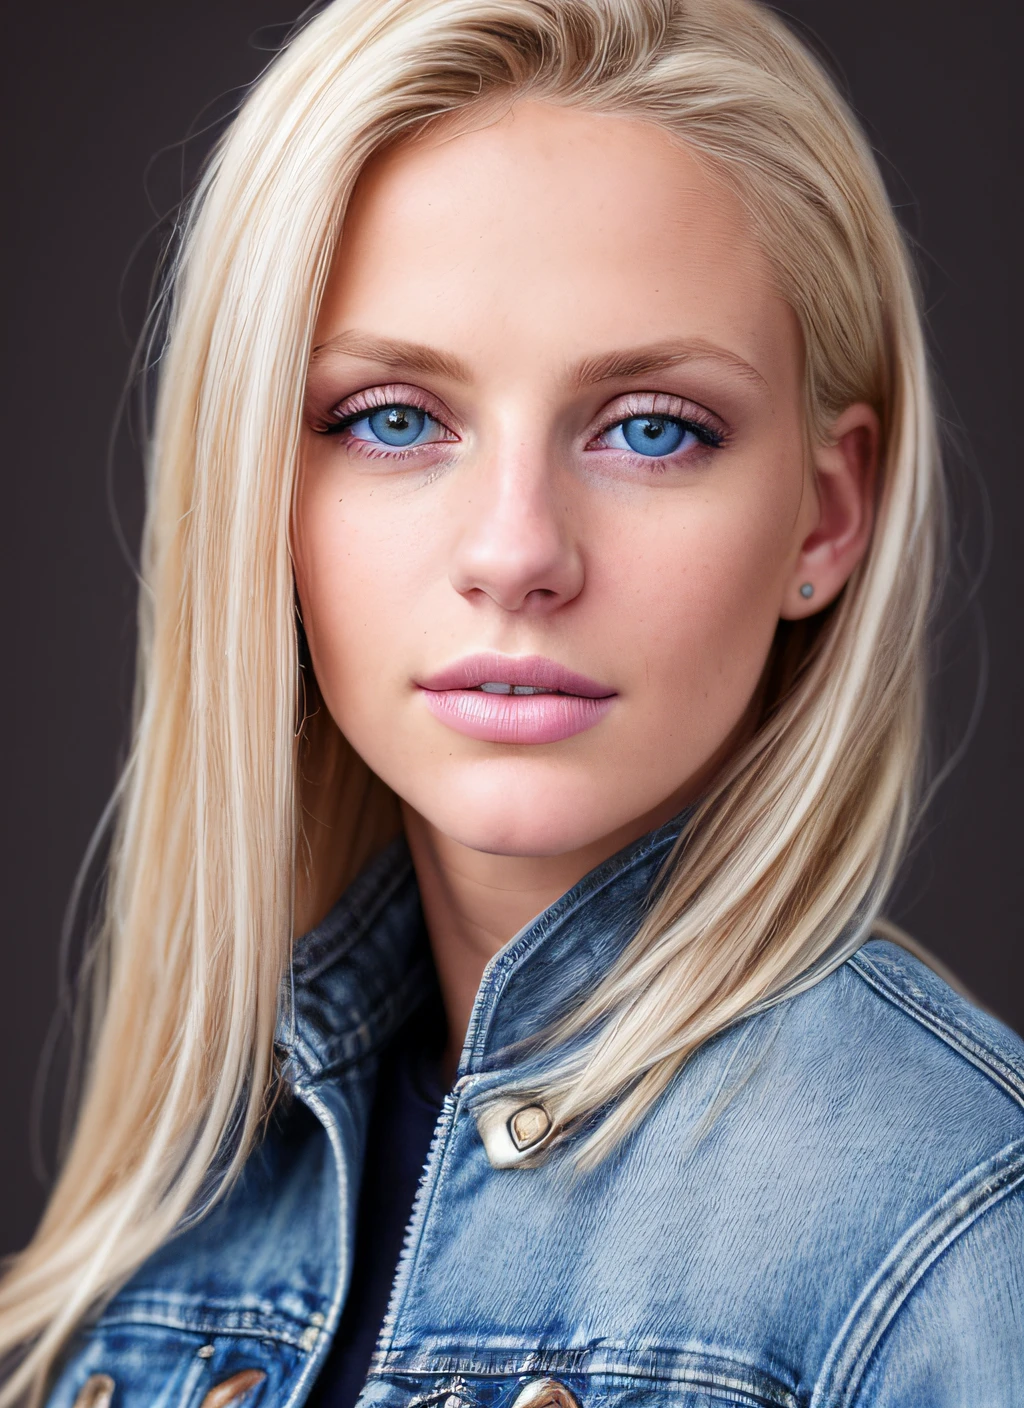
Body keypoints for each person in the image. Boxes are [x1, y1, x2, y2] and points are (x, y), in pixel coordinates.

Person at [2, 0, 1021, 1403]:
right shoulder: (180, 1240)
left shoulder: (959, 1232)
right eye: (394, 419)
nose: (518, 554)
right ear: (259, 493)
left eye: (652, 428)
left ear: (824, 518)